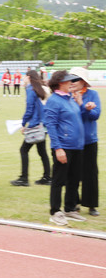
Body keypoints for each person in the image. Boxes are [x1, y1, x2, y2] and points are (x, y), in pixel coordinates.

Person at [43, 70, 85, 226]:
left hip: (76, 146)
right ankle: (55, 212)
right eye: (69, 81)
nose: (72, 84)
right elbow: (51, 126)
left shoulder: (70, 99)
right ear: (61, 83)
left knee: (74, 179)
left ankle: (70, 208)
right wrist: (58, 148)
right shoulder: (54, 101)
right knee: (59, 180)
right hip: (64, 146)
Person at [10, 70, 51, 187]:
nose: (23, 79)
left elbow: (29, 109)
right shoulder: (37, 89)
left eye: (24, 77)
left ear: (28, 77)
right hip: (43, 125)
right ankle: (47, 177)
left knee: (24, 150)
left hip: (36, 125)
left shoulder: (30, 90)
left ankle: (24, 178)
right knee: (42, 152)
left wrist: (23, 124)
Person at [70, 67, 100, 217]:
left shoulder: (93, 94)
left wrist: (83, 105)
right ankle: (74, 203)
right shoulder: (67, 96)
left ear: (83, 82)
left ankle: (91, 205)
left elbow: (96, 115)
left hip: (89, 140)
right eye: (70, 79)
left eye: (75, 79)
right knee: (74, 173)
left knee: (91, 173)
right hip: (74, 141)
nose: (71, 82)